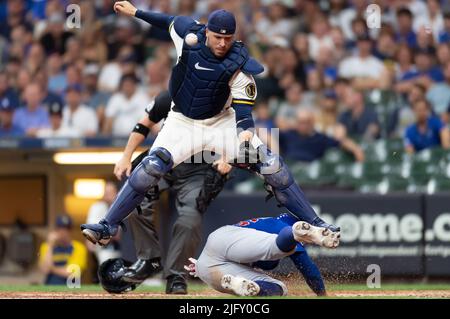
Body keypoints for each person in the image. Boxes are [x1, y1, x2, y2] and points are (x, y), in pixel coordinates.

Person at [81, 1, 340, 252]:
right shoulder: (187, 33)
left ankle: (317, 225)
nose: (222, 43)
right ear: (207, 32)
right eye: (217, 37)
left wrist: (246, 134)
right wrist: (135, 12)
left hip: (221, 122)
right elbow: (166, 21)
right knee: (150, 168)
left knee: (272, 166)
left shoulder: (240, 65)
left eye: (228, 38)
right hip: (182, 122)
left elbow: (243, 114)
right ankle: (107, 226)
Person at [110, 90, 231, 294]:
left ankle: (176, 275)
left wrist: (228, 157)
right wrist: (126, 156)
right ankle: (149, 259)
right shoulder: (172, 94)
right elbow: (144, 124)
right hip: (164, 162)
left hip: (198, 169)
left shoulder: (219, 97)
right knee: (134, 199)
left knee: (189, 220)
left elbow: (237, 130)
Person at [185, 213, 328, 297]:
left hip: (206, 266)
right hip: (229, 242)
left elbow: (264, 263)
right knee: (277, 248)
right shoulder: (279, 225)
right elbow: (307, 267)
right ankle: (294, 233)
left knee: (279, 286)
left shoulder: (266, 223)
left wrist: (202, 264)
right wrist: (322, 293)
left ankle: (249, 286)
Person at [38, 215, 88, 285]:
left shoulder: (79, 247)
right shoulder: (46, 246)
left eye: (66, 229)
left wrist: (52, 268)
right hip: (50, 286)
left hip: (71, 287)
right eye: (60, 228)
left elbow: (73, 273)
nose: (63, 232)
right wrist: (50, 245)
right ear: (55, 230)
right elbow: (45, 269)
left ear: (71, 230)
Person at [85, 181, 121, 265]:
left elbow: (119, 234)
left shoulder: (122, 206)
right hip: (103, 249)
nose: (108, 195)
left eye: (111, 192)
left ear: (117, 193)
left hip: (124, 249)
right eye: (106, 192)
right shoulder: (97, 207)